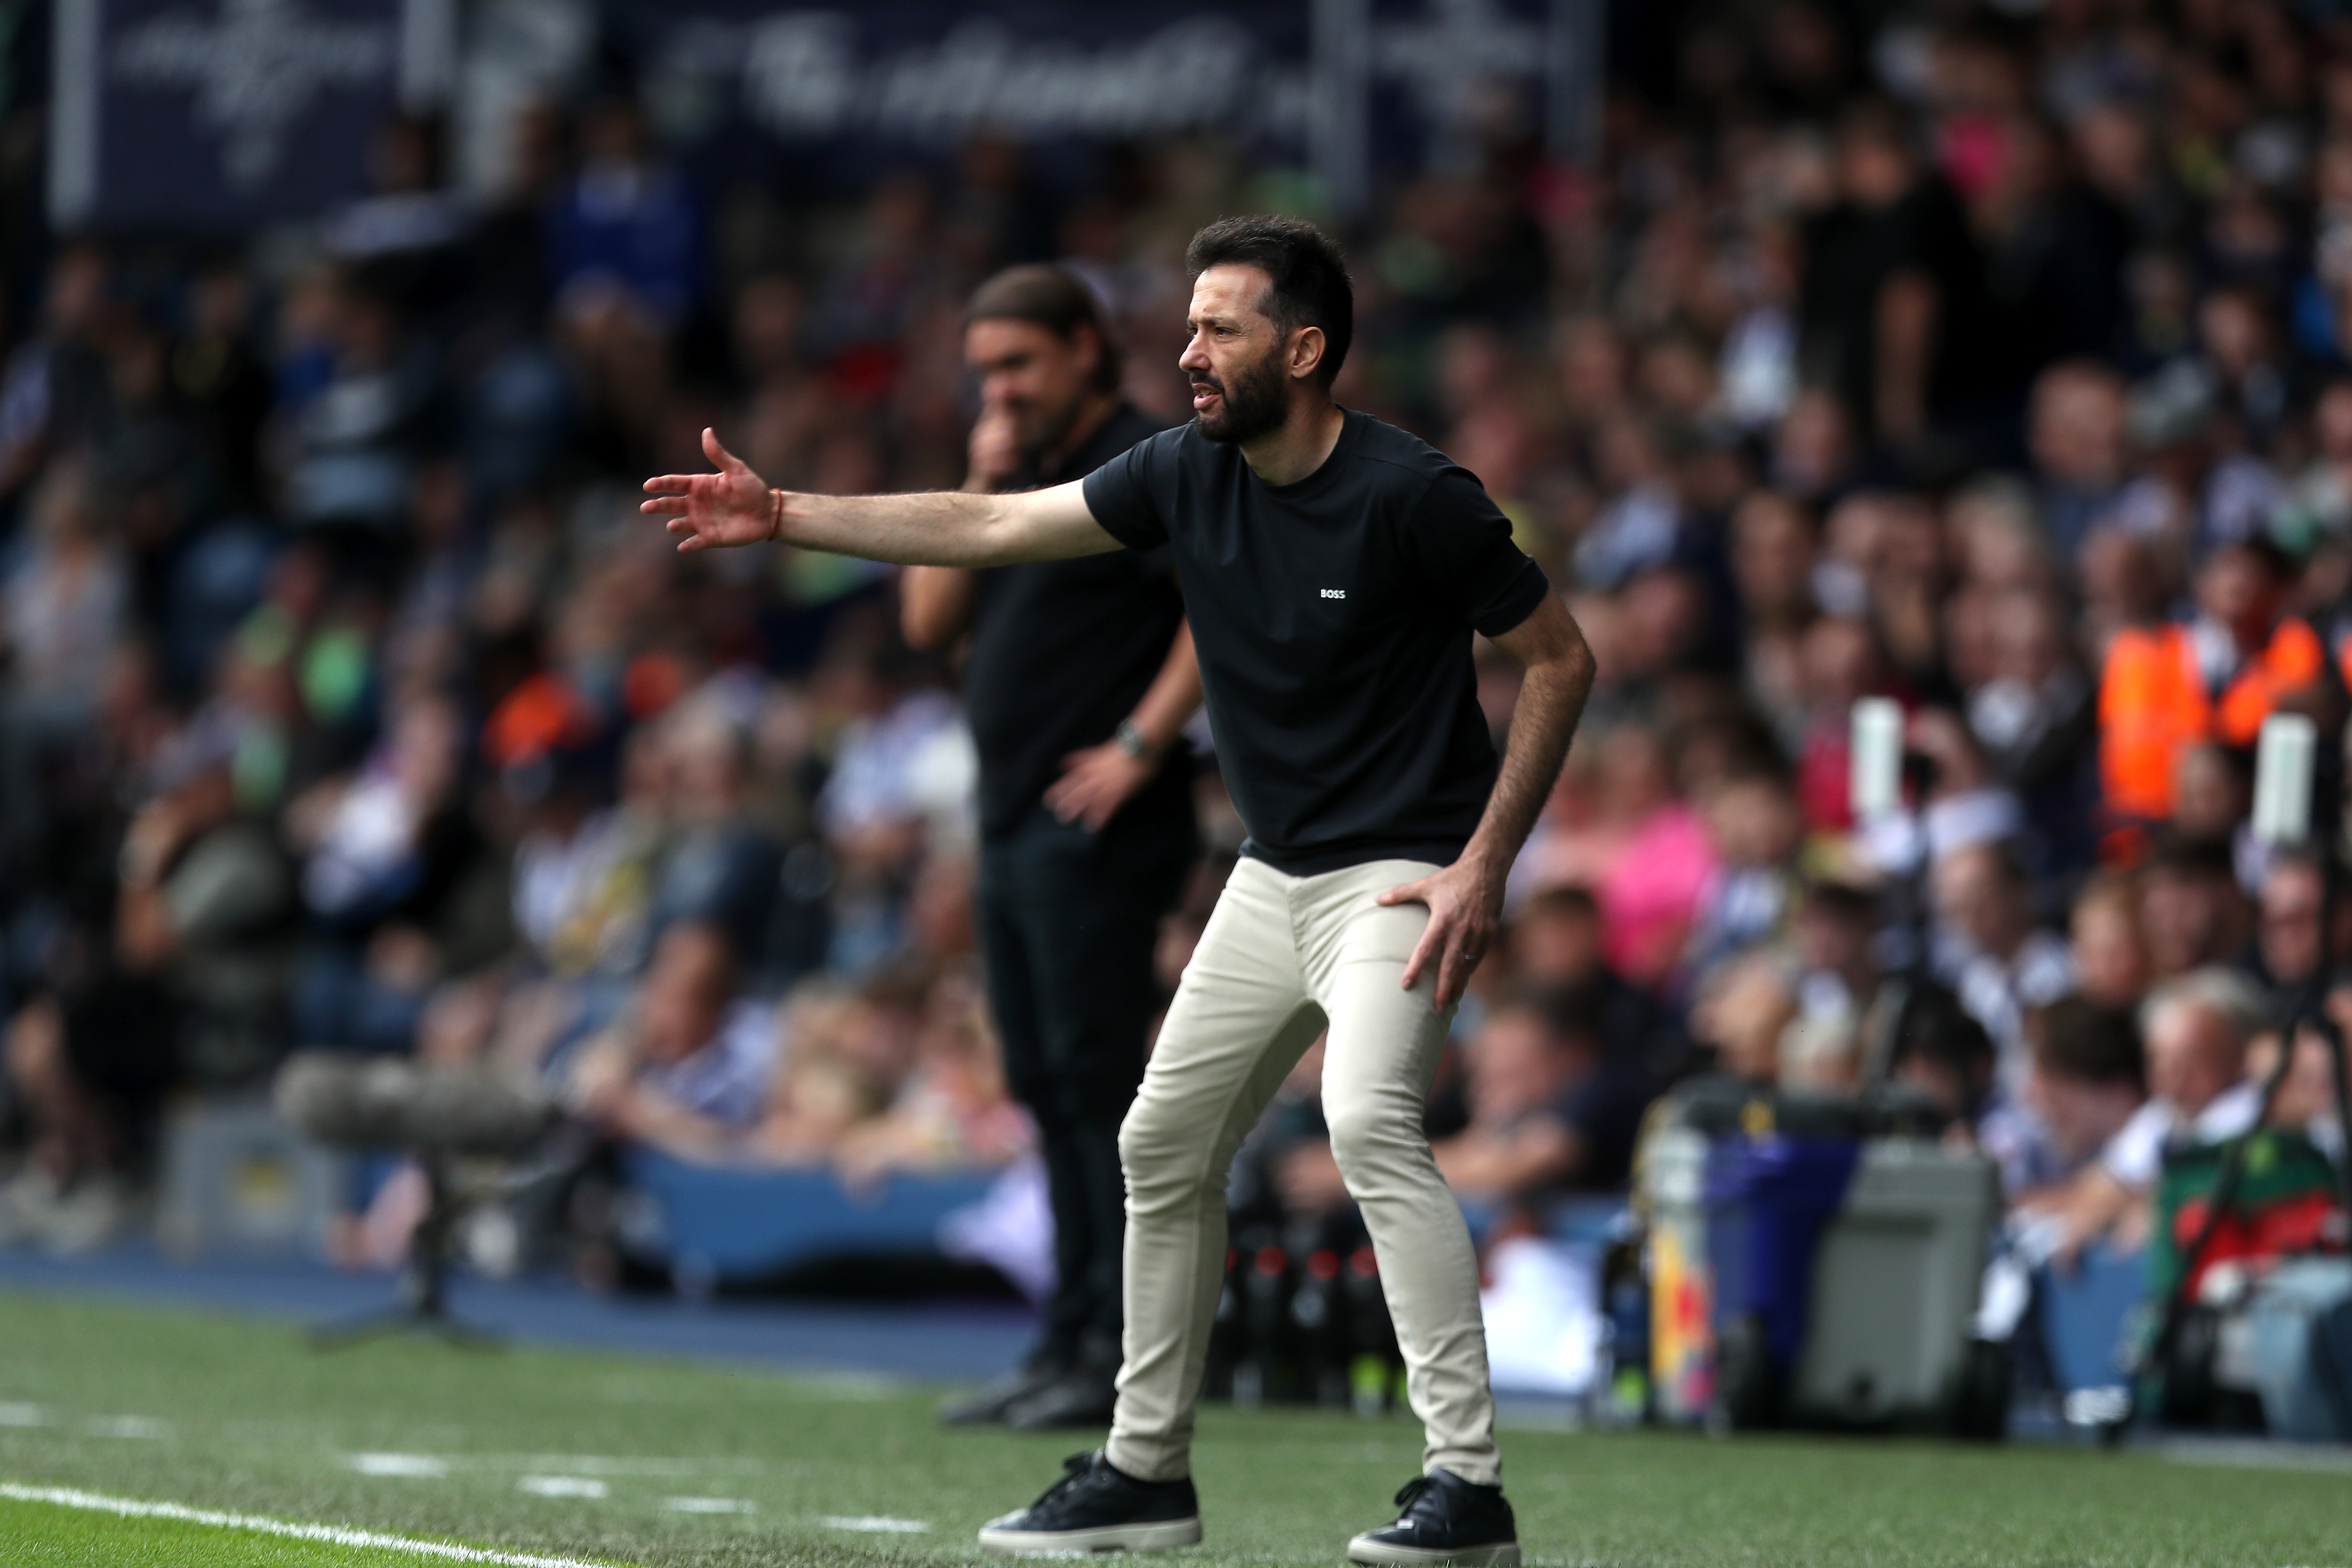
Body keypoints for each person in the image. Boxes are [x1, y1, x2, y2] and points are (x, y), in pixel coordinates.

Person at [645, 214, 1596, 1566]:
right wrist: (786, 513)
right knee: (1160, 1145)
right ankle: (1146, 1470)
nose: (1189, 350)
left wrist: (1484, 867)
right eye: (1190, 324)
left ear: (1305, 348)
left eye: (1221, 327)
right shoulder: (1180, 472)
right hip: (1273, 874)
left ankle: (1469, 1487)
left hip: (1400, 872)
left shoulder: (1413, 493)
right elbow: (984, 524)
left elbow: (1560, 659)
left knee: (1366, 1120)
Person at [901, 265, 1202, 1431]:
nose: (1002, 389)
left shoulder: (1142, 460)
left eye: (1020, 362)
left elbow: (1211, 605)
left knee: (1093, 1084)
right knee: (1040, 1080)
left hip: (1100, 818)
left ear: (1088, 347)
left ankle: (1120, 1352)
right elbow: (931, 623)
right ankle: (1067, 1332)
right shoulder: (1011, 467)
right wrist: (976, 478)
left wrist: (1139, 742)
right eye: (984, 370)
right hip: (1014, 817)